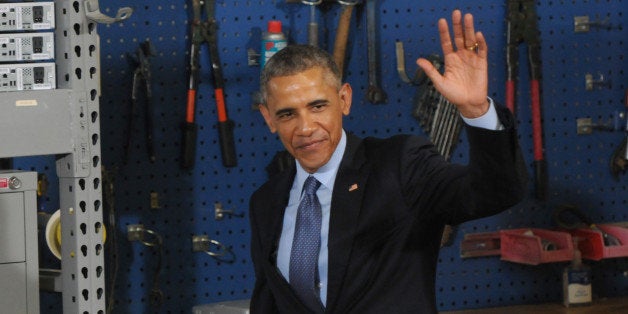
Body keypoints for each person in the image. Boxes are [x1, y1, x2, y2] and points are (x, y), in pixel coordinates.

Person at [249, 9, 527, 314]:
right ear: (268, 118)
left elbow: (493, 192)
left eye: (318, 106)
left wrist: (476, 111)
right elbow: (269, 301)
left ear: (344, 100)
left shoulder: (399, 166)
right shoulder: (266, 203)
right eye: (287, 114)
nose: (305, 128)